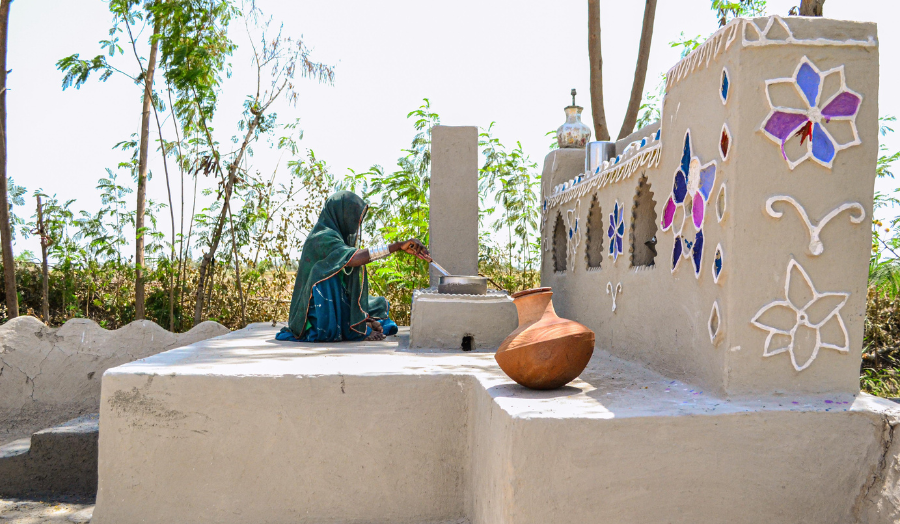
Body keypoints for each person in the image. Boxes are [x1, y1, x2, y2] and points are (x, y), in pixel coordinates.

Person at [277, 191, 431, 343]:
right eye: (351, 218)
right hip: (316, 312)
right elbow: (353, 258)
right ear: (340, 216)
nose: (354, 225)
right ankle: (354, 327)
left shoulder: (336, 238)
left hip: (337, 301)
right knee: (325, 279)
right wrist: (397, 246)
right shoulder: (321, 237)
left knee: (377, 304)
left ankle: (361, 322)